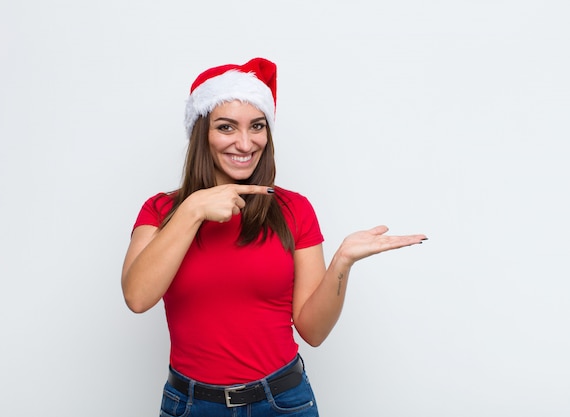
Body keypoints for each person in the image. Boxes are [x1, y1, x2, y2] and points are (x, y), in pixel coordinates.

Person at [121, 57, 427, 417]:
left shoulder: (294, 209)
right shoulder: (161, 211)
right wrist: (192, 210)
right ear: (202, 133)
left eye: (257, 126)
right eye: (226, 127)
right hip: (191, 405)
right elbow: (138, 297)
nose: (245, 142)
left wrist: (342, 262)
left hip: (281, 402)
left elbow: (313, 331)